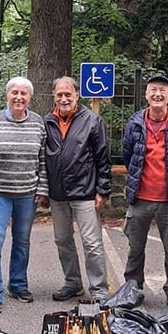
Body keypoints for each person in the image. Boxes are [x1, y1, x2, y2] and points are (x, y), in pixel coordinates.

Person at [122, 75, 168, 308]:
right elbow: (128, 157)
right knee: (135, 249)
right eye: (153, 90)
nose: (157, 94)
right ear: (146, 95)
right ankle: (133, 288)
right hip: (140, 199)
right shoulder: (134, 123)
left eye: (162, 90)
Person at [0, 77, 49, 312]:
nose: (19, 97)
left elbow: (42, 159)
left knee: (22, 241)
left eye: (23, 93)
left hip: (27, 194)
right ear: (7, 95)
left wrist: (42, 189)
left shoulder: (38, 123)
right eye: (14, 93)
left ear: (30, 97)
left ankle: (18, 284)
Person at [43, 76, 112, 302]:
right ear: (54, 97)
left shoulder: (92, 121)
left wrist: (103, 190)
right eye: (59, 94)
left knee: (92, 243)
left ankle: (99, 290)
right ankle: (73, 283)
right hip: (57, 194)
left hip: (85, 193)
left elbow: (103, 158)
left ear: (76, 95)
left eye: (68, 94)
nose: (64, 98)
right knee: (63, 240)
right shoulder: (46, 122)